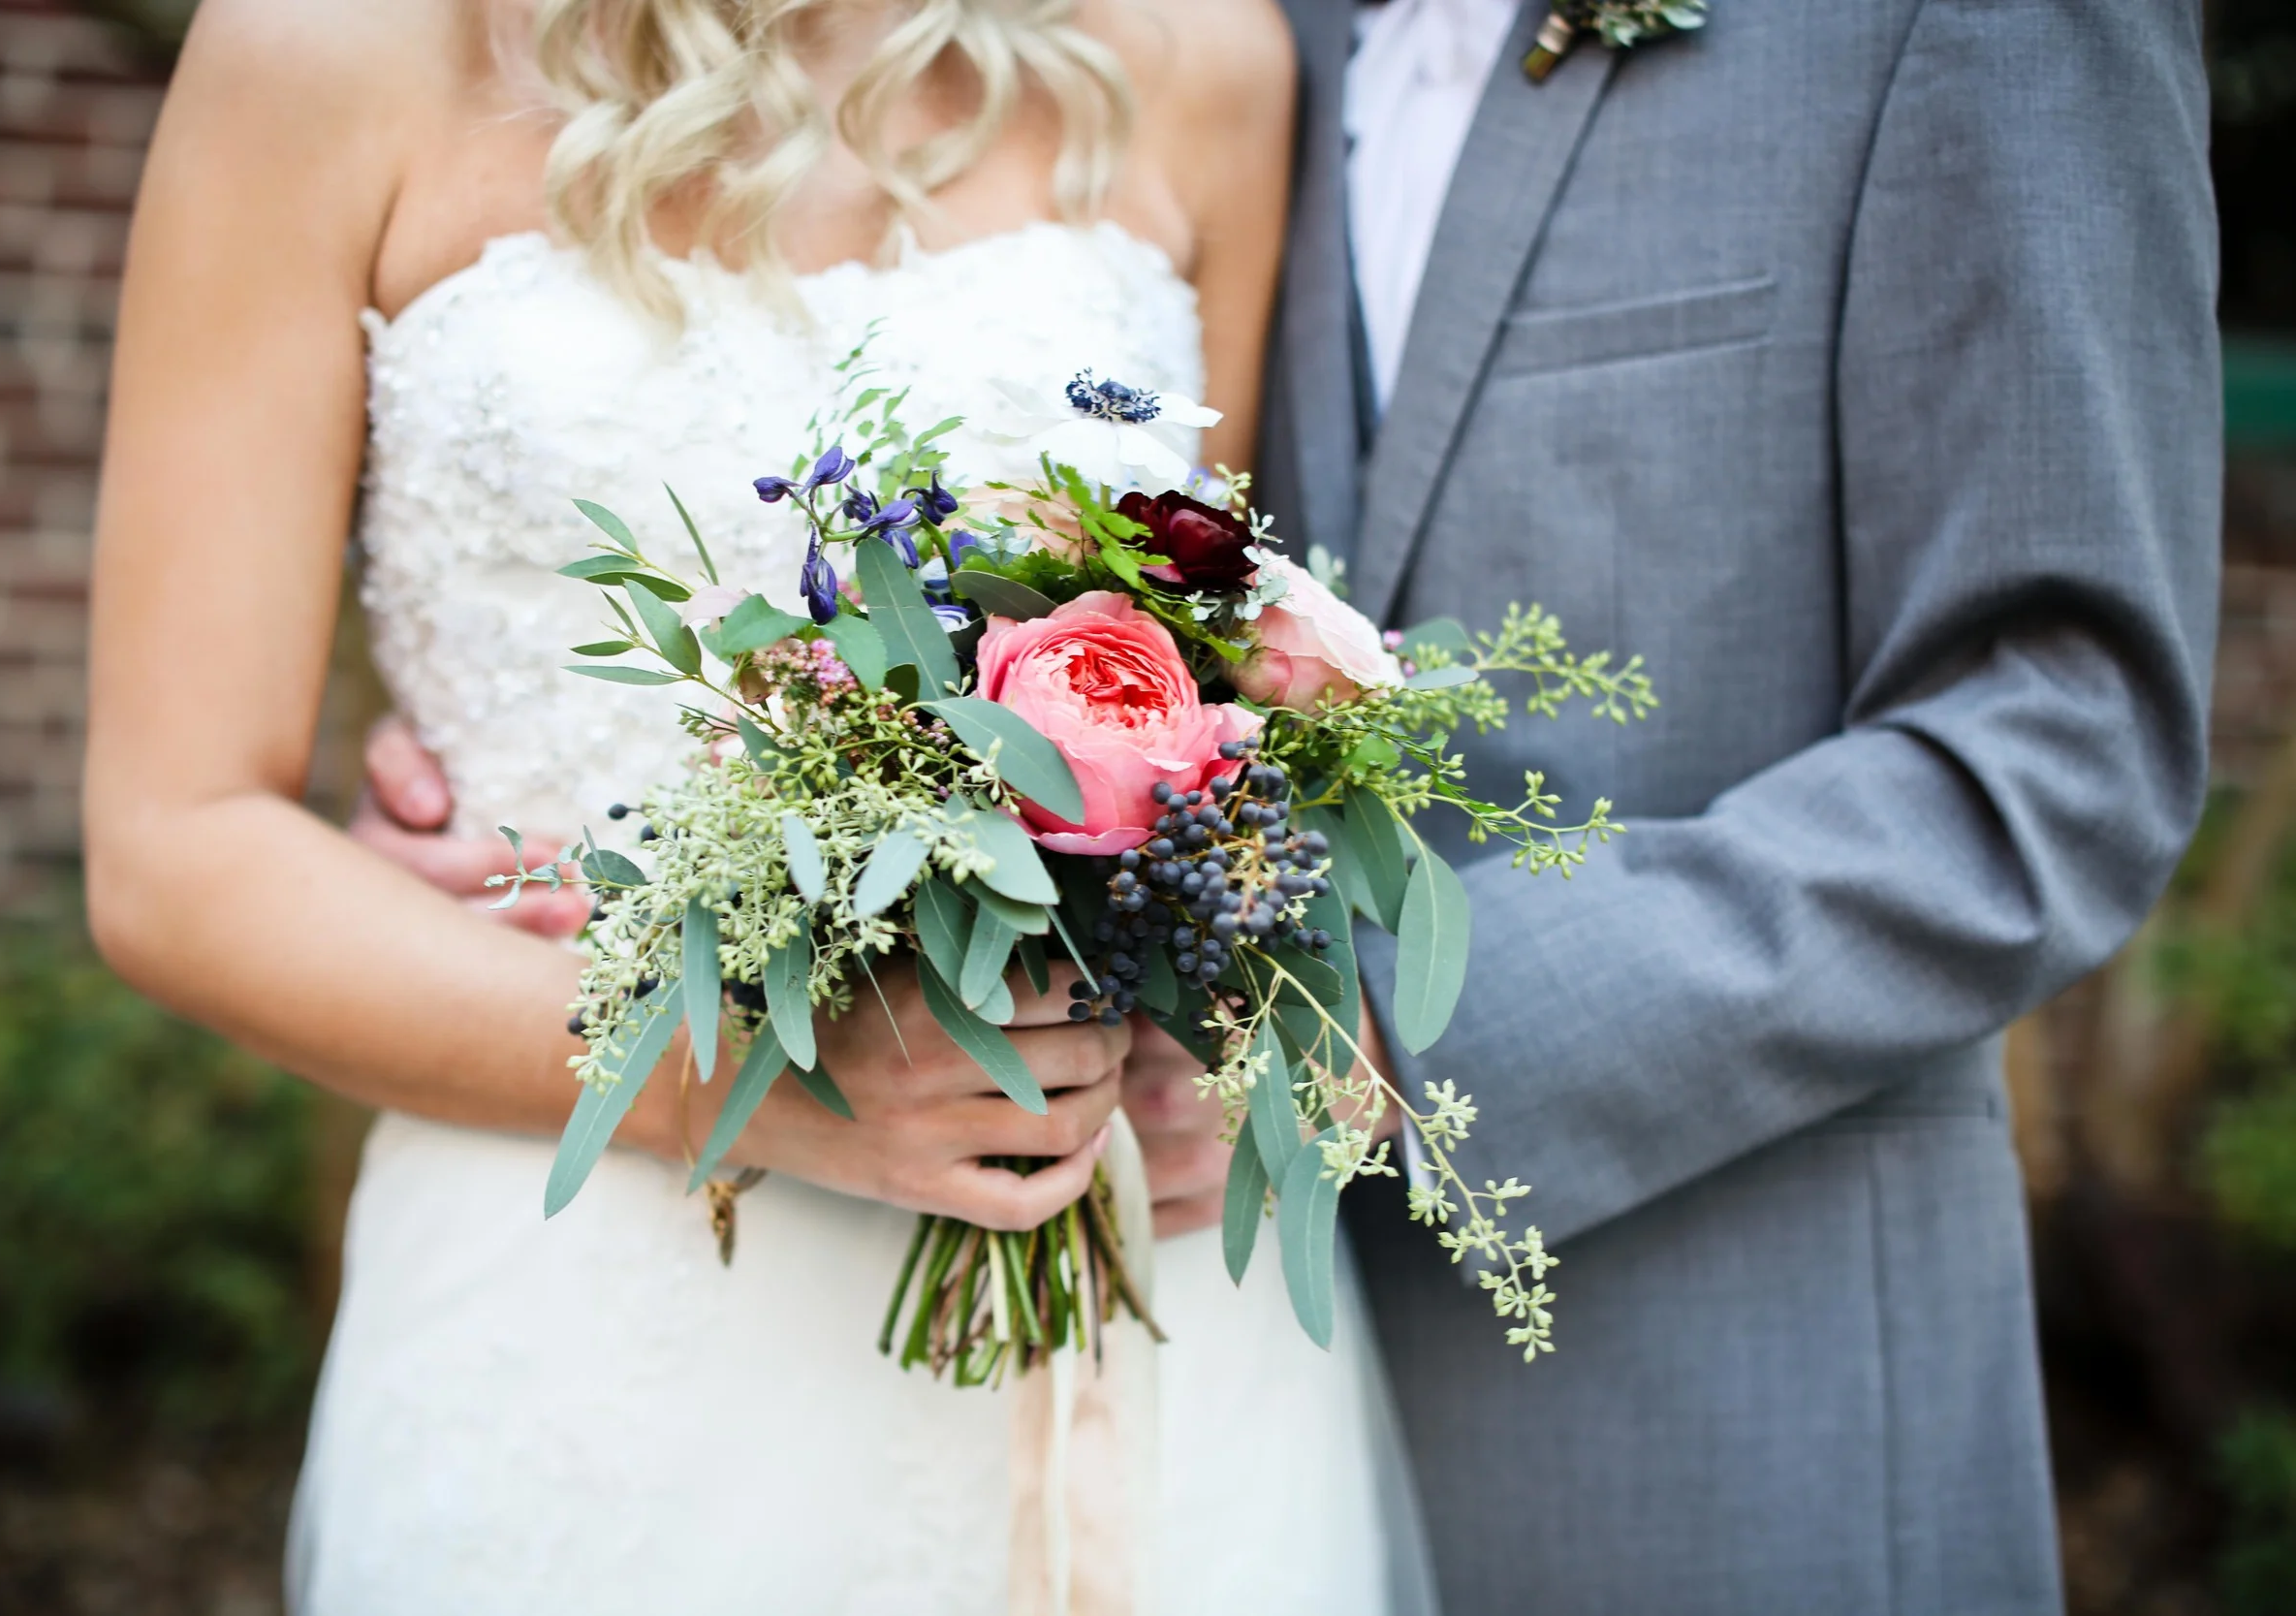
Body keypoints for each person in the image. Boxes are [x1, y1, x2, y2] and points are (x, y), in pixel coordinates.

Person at [365, 0, 2224, 1611]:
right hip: (1102, 1363)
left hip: (1701, 1402)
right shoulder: (1258, 32)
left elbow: (2062, 745)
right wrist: (575, 831)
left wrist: (1360, 1032)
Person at [83, 1, 1433, 1611]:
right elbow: (174, 852)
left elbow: (1211, 675)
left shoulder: (1199, 55)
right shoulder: (328, 51)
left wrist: (1237, 1002)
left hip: (1129, 1272)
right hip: (586, 1289)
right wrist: (741, 1079)